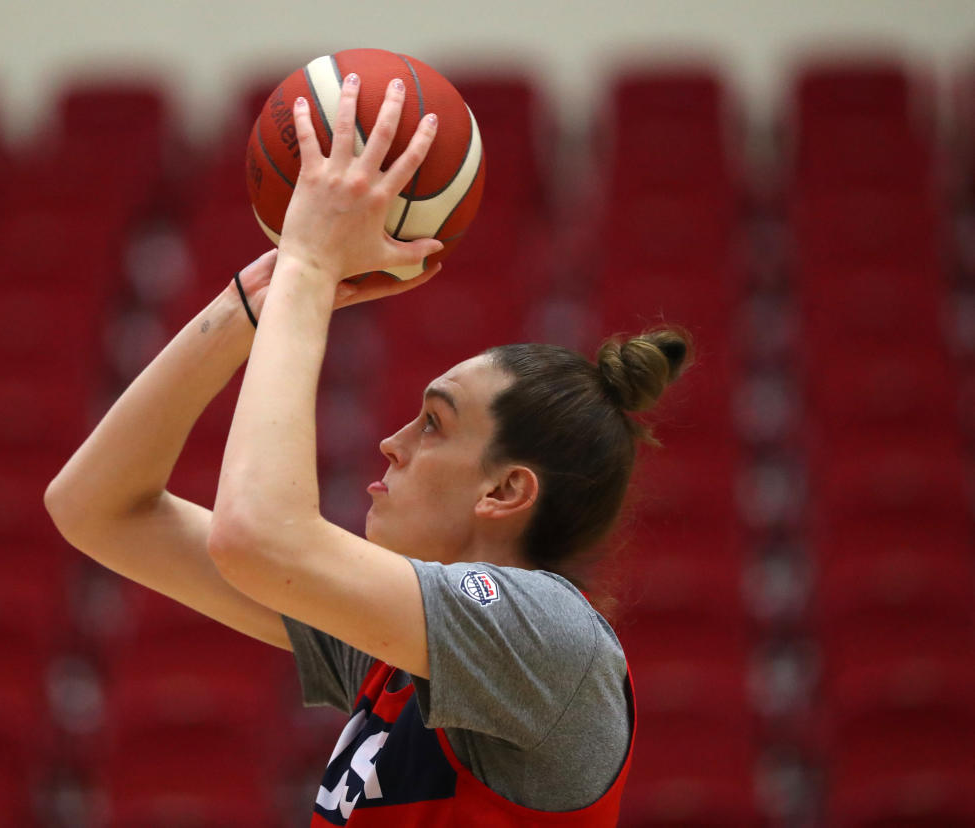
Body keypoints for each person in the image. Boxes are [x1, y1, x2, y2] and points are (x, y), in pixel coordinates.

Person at [45, 73, 690, 826]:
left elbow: (254, 538)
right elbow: (96, 509)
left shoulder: (547, 637)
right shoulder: (397, 649)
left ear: (506, 491)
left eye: (434, 424)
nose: (391, 442)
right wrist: (246, 303)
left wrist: (312, 272)